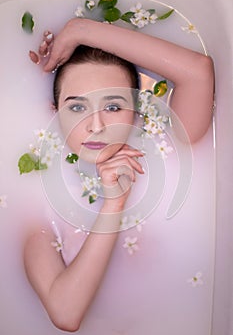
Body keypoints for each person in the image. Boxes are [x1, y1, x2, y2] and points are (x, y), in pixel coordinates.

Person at [24, 18, 214, 332]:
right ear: (53, 112)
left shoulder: (172, 151)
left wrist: (81, 30)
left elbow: (198, 71)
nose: (96, 125)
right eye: (76, 107)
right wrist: (113, 204)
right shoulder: (39, 210)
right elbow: (65, 313)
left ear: (137, 112)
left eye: (113, 107)